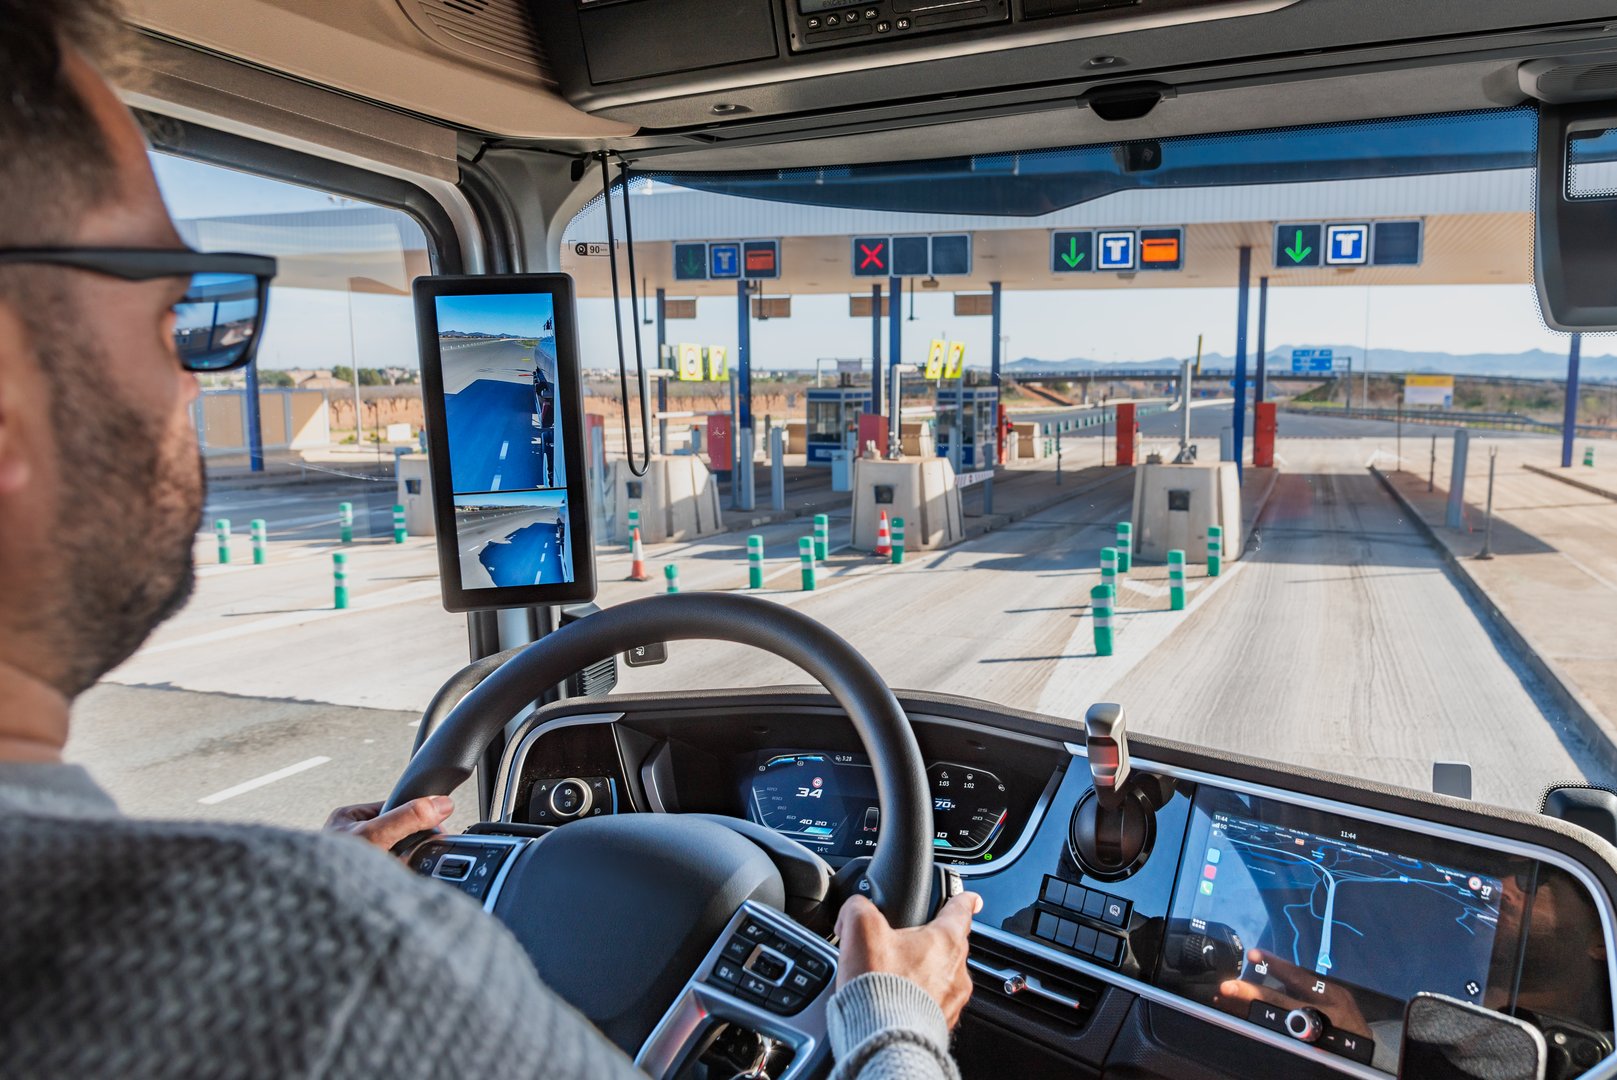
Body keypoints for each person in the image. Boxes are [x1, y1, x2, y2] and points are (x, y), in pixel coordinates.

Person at [0, 3, 978, 1077]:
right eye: (175, 308)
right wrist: (893, 1020)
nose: (199, 369)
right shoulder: (324, 972)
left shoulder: (238, 948)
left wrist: (328, 892)